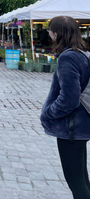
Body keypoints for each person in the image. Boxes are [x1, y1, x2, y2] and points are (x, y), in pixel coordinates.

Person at [40, 16, 90, 199]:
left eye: (50, 30)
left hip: (71, 128)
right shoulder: (81, 53)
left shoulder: (68, 58)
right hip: (80, 126)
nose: (49, 33)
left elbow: (69, 98)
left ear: (57, 33)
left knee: (75, 181)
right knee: (82, 178)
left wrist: (48, 113)